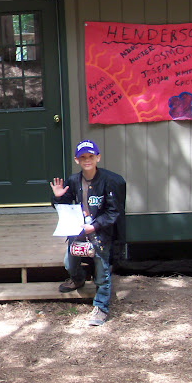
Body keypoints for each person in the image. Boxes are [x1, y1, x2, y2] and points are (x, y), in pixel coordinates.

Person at [50, 140, 124, 326]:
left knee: (102, 272)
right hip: (78, 232)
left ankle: (101, 307)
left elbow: (113, 212)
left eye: (91, 156)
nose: (87, 160)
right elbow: (63, 206)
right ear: (77, 160)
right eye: (83, 157)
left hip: (99, 233)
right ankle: (78, 278)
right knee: (69, 262)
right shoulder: (74, 181)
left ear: (97, 157)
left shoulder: (109, 181)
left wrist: (96, 225)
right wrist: (57, 197)